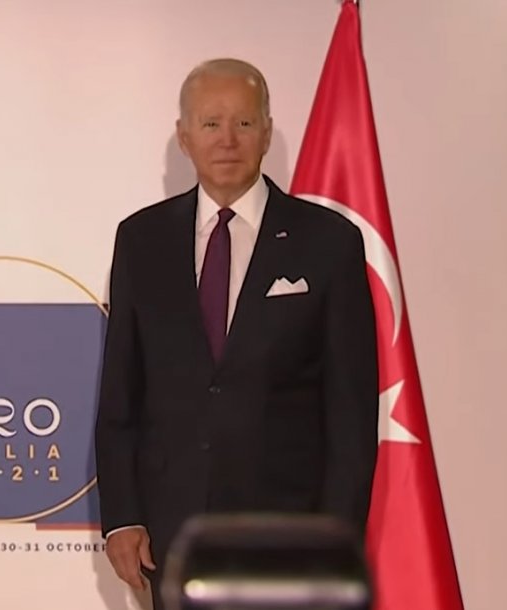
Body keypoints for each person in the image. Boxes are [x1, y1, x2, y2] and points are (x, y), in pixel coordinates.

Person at [94, 58, 378, 608]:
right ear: (184, 136)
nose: (227, 140)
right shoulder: (141, 240)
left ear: (267, 132)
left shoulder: (329, 242)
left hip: (292, 536)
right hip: (173, 534)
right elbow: (121, 395)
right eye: (211, 123)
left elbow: (351, 413)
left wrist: (335, 537)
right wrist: (123, 517)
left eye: (244, 123)